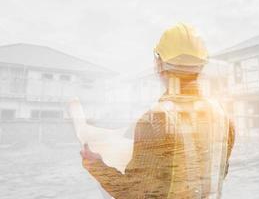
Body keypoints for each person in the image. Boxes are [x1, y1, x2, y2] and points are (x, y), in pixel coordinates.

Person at [79, 23, 235, 199]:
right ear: (201, 65)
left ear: (160, 64)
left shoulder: (155, 120)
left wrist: (95, 165)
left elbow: (132, 192)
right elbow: (218, 173)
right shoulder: (223, 117)